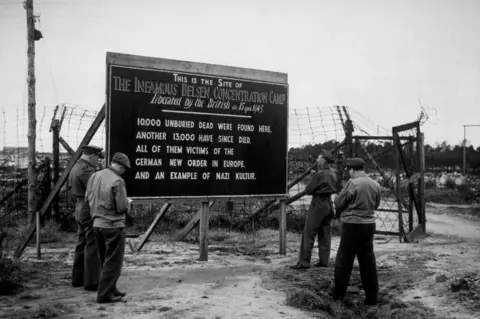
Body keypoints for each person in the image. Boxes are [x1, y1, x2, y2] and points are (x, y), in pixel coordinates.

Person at [332, 158, 381, 306]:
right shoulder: (375, 184)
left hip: (352, 224)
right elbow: (376, 204)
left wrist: (337, 198)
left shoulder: (352, 183)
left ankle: (338, 295)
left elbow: (339, 203)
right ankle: (372, 297)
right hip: (369, 224)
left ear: (351, 169)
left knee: (344, 260)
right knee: (368, 261)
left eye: (349, 170)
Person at [85, 152, 131, 303]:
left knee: (105, 259)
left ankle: (111, 288)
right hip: (114, 225)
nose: (124, 171)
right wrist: (128, 204)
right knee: (113, 262)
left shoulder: (95, 176)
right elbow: (121, 207)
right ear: (121, 166)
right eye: (125, 168)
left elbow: (87, 197)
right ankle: (104, 295)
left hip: (97, 224)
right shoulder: (118, 181)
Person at [290, 149, 337, 270]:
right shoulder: (332, 173)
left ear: (323, 160)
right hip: (329, 203)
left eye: (319, 158)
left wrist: (314, 178)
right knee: (325, 233)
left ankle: (304, 262)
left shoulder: (319, 174)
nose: (317, 159)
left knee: (309, 233)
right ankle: (324, 261)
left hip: (318, 204)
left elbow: (308, 190)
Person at [69, 144, 104, 291]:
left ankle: (78, 278)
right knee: (92, 243)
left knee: (82, 243)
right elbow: (97, 189)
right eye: (97, 158)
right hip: (87, 207)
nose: (98, 161)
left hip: (79, 206)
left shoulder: (76, 166)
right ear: (92, 156)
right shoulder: (86, 170)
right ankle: (91, 281)